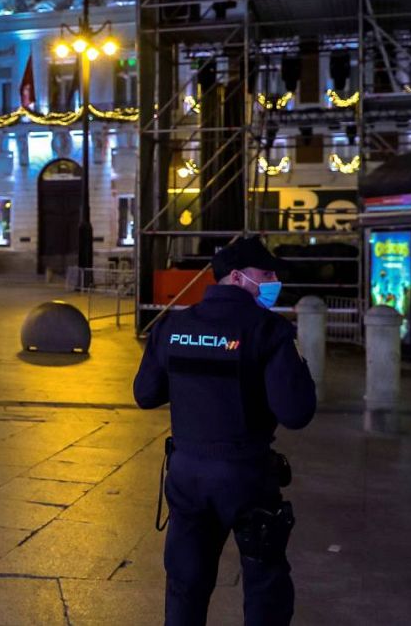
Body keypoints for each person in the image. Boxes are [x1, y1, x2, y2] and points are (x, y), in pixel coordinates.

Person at [133, 236, 316, 626]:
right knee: (265, 585)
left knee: (185, 584)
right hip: (246, 476)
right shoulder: (269, 330)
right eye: (265, 273)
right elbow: (297, 412)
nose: (273, 280)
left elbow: (145, 394)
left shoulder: (173, 325)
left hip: (186, 476)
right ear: (236, 277)